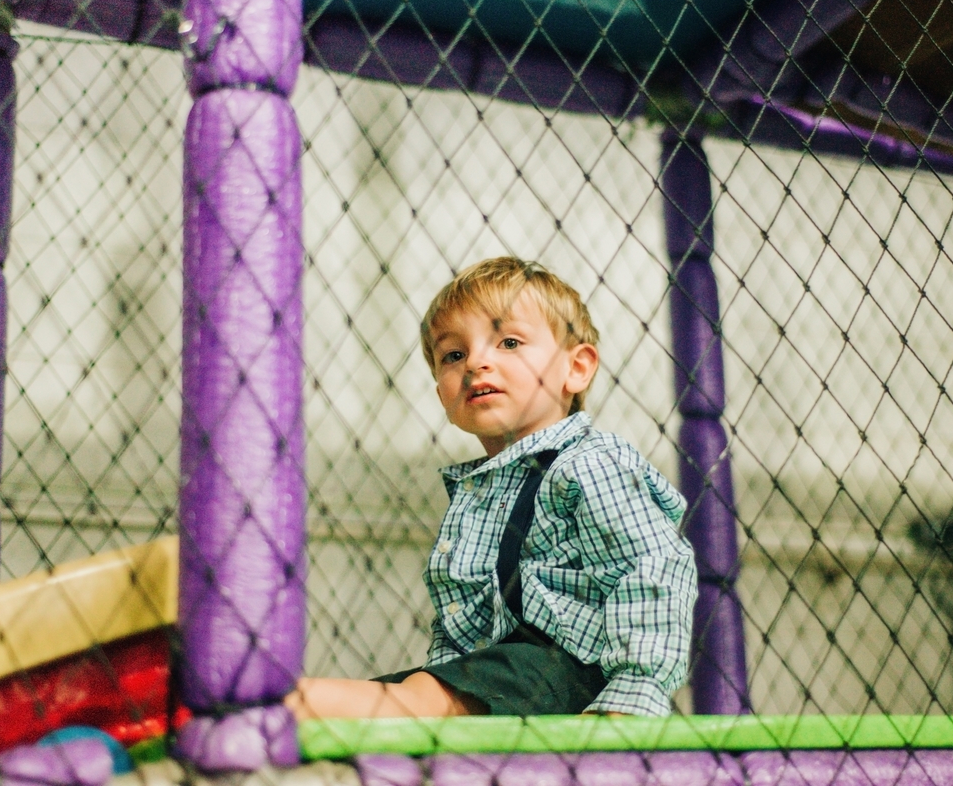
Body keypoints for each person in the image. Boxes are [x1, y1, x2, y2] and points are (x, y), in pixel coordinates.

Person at [285, 257, 697, 718]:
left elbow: (651, 569)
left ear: (576, 369)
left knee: (416, 700)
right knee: (402, 694)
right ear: (442, 393)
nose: (477, 362)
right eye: (453, 355)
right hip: (504, 680)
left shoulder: (590, 465)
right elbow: (462, 632)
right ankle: (282, 708)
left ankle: (272, 702)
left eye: (509, 342)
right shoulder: (477, 494)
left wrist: (633, 696)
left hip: (580, 680)